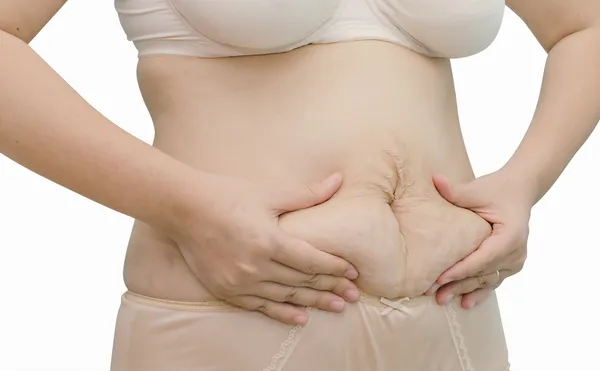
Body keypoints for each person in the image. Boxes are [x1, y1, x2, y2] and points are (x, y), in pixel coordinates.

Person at [1, 0, 598, 370]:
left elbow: (583, 26)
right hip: (243, 320)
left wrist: (527, 180)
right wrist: (185, 206)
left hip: (458, 323)